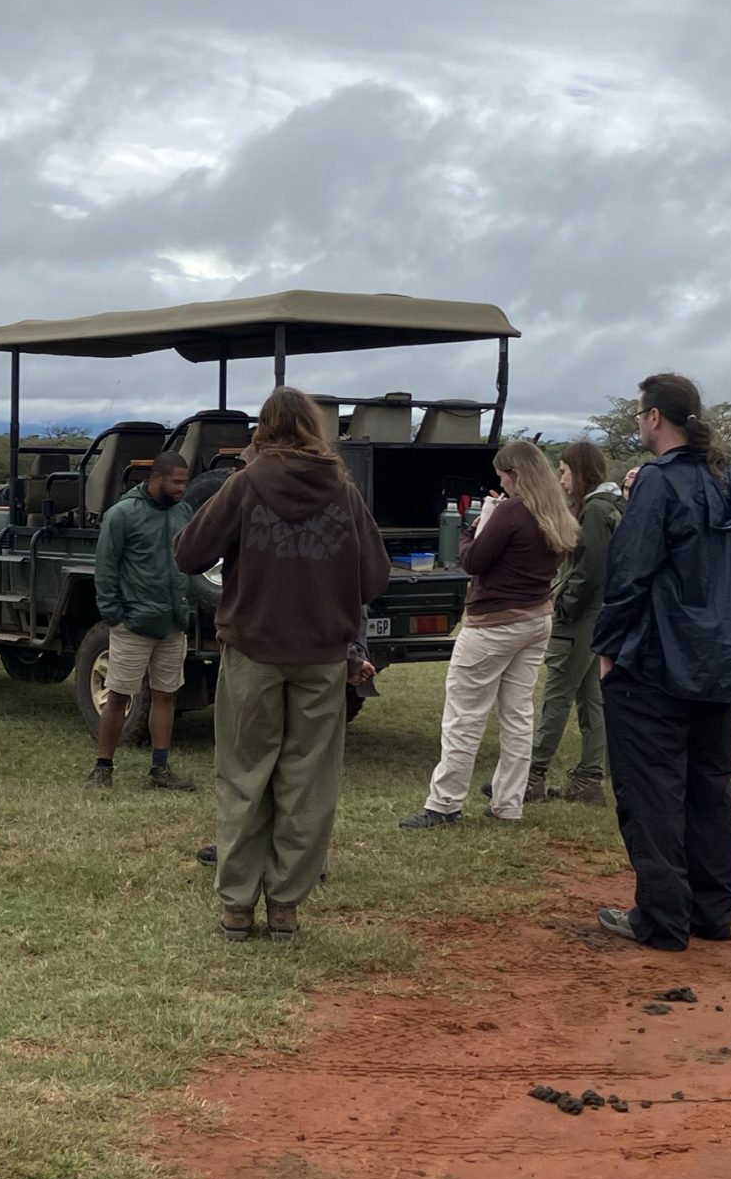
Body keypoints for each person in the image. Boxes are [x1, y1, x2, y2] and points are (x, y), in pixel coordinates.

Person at [175, 386, 388, 939]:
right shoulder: (342, 490)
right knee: (308, 781)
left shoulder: (246, 483)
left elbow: (189, 553)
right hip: (321, 656)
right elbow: (375, 578)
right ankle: (287, 907)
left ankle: (237, 908)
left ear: (263, 430)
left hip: (253, 650)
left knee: (246, 775)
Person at [589, 373, 731, 951]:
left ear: (653, 418)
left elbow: (630, 573)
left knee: (651, 793)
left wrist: (607, 647)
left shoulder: (660, 484)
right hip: (722, 663)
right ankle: (711, 912)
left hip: (655, 663)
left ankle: (663, 918)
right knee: (707, 790)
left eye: (640, 413)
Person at [401, 438, 576, 828]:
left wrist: (472, 529)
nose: (502, 483)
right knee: (517, 715)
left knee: (464, 714)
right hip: (535, 620)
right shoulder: (554, 511)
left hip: (493, 624)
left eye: (502, 476)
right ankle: (508, 803)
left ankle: (444, 804)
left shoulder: (512, 511)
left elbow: (473, 560)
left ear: (514, 475)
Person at [87, 449, 198, 791]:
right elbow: (105, 568)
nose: (182, 488)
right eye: (177, 482)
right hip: (133, 623)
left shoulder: (184, 511)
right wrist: (115, 616)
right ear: (158, 478)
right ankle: (103, 768)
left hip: (173, 621)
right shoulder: (122, 514)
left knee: (165, 695)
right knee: (118, 694)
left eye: (185, 481)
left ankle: (159, 770)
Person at [530, 440, 624, 803]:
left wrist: (565, 606)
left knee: (557, 696)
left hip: (581, 617)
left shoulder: (596, 510)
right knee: (591, 697)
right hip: (599, 616)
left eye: (565, 471)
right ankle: (589, 779)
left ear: (580, 472)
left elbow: (590, 568)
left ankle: (532, 775)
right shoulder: (611, 504)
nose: (562, 478)